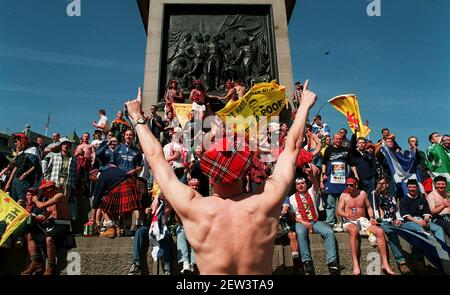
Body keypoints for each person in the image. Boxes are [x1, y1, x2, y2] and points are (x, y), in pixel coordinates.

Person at [124, 79, 317, 274]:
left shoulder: (193, 207)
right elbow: (291, 149)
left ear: (208, 171)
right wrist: (303, 107)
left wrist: (137, 117)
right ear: (246, 171)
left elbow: (155, 157)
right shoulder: (266, 201)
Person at [282, 172, 341, 275]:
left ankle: (332, 262)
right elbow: (291, 216)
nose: (300, 185)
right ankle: (307, 261)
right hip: (300, 222)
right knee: (300, 233)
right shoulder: (291, 198)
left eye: (302, 183)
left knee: (329, 231)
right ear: (295, 186)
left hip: (314, 221)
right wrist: (304, 222)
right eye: (298, 184)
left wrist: (311, 175)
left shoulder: (311, 192)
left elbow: (316, 184)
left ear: (306, 184)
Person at [337, 177, 395, 275]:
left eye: (351, 185)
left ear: (356, 185)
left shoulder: (363, 194)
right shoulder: (344, 195)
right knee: (354, 230)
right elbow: (339, 211)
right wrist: (347, 215)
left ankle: (385, 264)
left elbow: (368, 207)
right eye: (347, 185)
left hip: (362, 220)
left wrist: (371, 217)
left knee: (380, 232)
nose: (348, 187)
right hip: (349, 221)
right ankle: (356, 264)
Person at [21, 180, 71, 275]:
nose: (43, 192)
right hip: (52, 225)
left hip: (62, 225)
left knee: (49, 239)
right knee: (30, 234)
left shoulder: (59, 196)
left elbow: (41, 206)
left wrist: (35, 200)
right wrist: (36, 217)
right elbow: (44, 217)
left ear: (50, 189)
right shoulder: (50, 200)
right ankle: (35, 261)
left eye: (44, 190)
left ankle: (51, 266)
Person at [375, 177, 411, 274]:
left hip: (394, 221)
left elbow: (396, 210)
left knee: (411, 230)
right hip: (382, 222)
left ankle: (417, 260)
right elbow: (376, 195)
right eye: (379, 183)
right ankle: (401, 262)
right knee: (391, 232)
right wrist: (379, 186)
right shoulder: (375, 195)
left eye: (384, 183)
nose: (382, 185)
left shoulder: (391, 197)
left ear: (387, 185)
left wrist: (399, 219)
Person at [321, 133, 351, 232]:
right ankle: (330, 223)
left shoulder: (346, 150)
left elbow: (351, 164)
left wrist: (354, 176)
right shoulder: (328, 149)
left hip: (343, 181)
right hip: (331, 180)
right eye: (336, 139)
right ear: (334, 139)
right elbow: (324, 163)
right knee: (330, 203)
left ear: (342, 140)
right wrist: (323, 174)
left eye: (340, 139)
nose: (338, 140)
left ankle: (345, 222)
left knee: (344, 204)